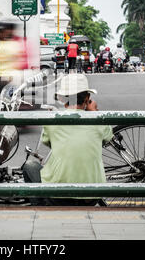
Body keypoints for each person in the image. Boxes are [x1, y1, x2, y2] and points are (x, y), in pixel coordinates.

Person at [22, 74, 114, 206]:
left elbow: (49, 143)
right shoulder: (99, 120)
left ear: (63, 98)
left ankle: (41, 208)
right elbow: (108, 138)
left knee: (30, 166)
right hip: (92, 196)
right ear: (87, 98)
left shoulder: (53, 120)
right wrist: (94, 113)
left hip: (59, 196)